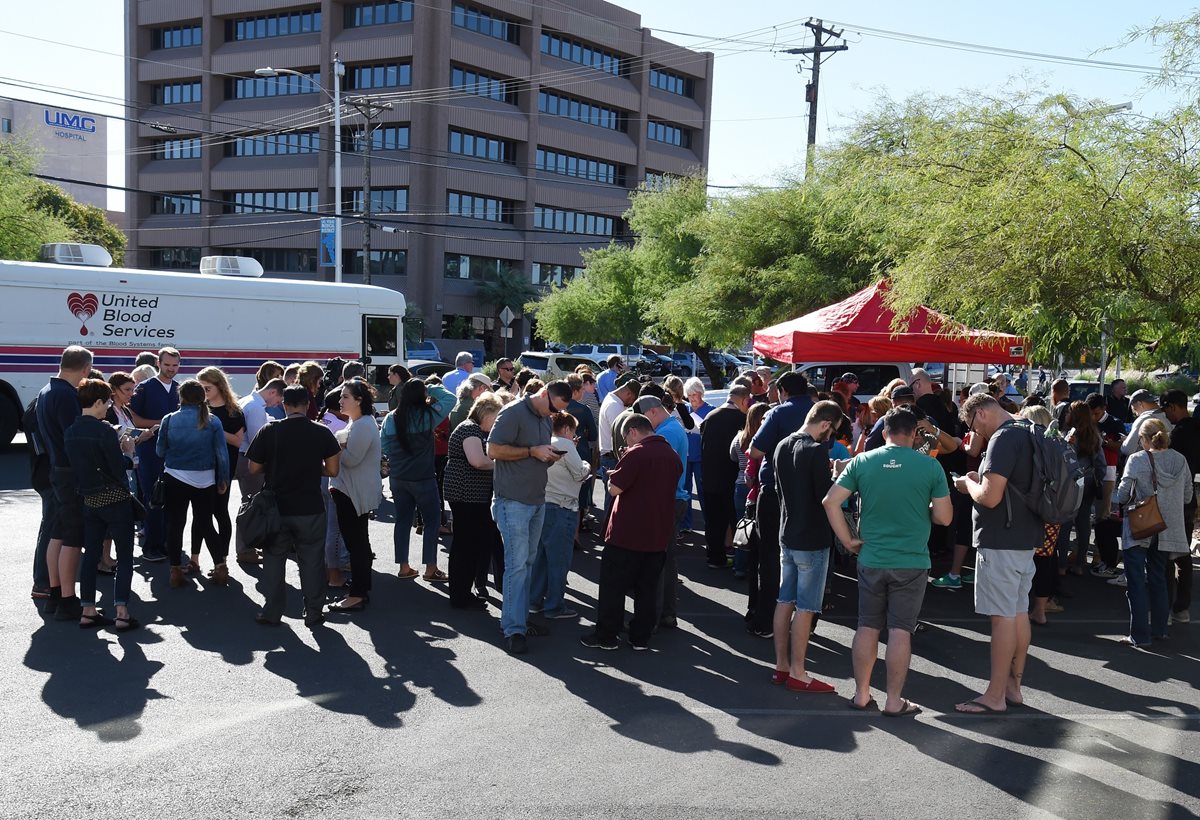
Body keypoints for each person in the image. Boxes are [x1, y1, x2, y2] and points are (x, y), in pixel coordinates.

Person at [825, 407, 952, 715]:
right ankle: (894, 701)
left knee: (867, 626)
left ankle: (861, 694)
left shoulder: (862, 461)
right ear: (913, 434)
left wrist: (848, 540)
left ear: (884, 433)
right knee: (900, 630)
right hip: (911, 560)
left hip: (871, 556)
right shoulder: (930, 467)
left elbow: (830, 501)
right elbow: (945, 518)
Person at [953, 394, 1041, 714]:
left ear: (980, 413)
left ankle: (994, 696)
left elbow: (989, 498)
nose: (975, 433)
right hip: (1026, 535)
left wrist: (968, 484)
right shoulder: (1030, 429)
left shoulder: (1002, 439)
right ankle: (1012, 687)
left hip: (1000, 537)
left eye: (972, 425)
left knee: (1002, 618)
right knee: (1018, 612)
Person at [581, 414, 683, 650]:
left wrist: (610, 479)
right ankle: (640, 637)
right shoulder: (672, 456)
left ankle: (606, 636)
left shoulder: (636, 453)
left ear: (633, 431)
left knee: (613, 587)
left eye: (626, 437)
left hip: (627, 533)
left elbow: (615, 488)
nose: (626, 442)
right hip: (657, 533)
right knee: (647, 589)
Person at [487, 380, 573, 654]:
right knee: (517, 565)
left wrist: (549, 456)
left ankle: (520, 621)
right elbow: (493, 450)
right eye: (551, 408)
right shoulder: (512, 412)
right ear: (544, 394)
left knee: (527, 562)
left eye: (556, 412)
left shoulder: (545, 419)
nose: (552, 415)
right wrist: (531, 451)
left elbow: (538, 452)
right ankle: (513, 629)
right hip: (513, 501)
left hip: (536, 500)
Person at [247, 385, 340, 627]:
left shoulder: (270, 430)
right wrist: (311, 468)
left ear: (284, 405)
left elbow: (253, 468)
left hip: (276, 508)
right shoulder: (321, 432)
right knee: (311, 560)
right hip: (310, 506)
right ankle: (313, 612)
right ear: (308, 405)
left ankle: (272, 611)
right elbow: (332, 470)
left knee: (274, 559)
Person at [771, 401, 846, 693]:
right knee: (806, 607)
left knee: (784, 600)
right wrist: (838, 475)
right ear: (826, 424)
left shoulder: (781, 445)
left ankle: (781, 666)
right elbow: (826, 498)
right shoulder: (816, 451)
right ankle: (798, 672)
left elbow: (780, 490)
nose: (832, 438)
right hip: (812, 538)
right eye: (834, 431)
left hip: (787, 533)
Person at [64, 379, 141, 631]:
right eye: (107, 401)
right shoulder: (105, 430)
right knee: (125, 556)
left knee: (91, 556)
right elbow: (118, 468)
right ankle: (122, 611)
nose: (108, 406)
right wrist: (128, 453)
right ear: (97, 402)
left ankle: (88, 609)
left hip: (89, 499)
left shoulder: (71, 430)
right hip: (115, 499)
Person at [747, 372, 813, 638]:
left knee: (770, 557)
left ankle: (766, 621)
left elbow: (755, 450)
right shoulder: (818, 411)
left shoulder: (778, 413)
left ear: (783, 390)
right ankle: (805, 621)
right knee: (807, 560)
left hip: (775, 494)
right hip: (809, 495)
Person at [1117, 418, 1193, 646]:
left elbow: (1122, 495)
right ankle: (1160, 630)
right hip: (1167, 528)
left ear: (1144, 438)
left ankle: (1139, 635)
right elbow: (1188, 496)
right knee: (1159, 579)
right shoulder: (1180, 460)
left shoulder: (1137, 459)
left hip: (1141, 526)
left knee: (1136, 582)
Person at [37, 345, 94, 621]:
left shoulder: (46, 391)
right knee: (73, 538)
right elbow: (75, 439)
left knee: (58, 534)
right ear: (86, 369)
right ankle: (69, 601)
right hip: (71, 472)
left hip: (56, 469)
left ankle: (56, 594)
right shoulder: (67, 395)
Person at [157, 379, 230, 588]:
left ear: (180, 397)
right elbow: (221, 455)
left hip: (175, 476)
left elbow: (160, 451)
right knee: (205, 523)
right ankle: (220, 566)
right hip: (205, 478)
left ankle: (175, 571)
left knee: (175, 525)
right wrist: (222, 479)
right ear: (203, 397)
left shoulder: (169, 419)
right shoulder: (213, 421)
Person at [381, 378, 456, 581]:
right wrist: (429, 387)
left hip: (398, 477)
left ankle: (404, 567)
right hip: (423, 477)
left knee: (402, 521)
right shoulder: (428, 415)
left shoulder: (391, 418)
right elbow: (451, 398)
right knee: (432, 523)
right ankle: (430, 569)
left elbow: (384, 444)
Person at [444, 392, 505, 608]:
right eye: (495, 417)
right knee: (465, 546)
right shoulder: (469, 428)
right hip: (465, 495)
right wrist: (505, 463)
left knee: (468, 545)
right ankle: (461, 596)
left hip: (471, 496)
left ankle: (462, 594)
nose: (496, 422)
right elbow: (478, 461)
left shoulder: (473, 428)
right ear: (485, 412)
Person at [327, 379, 383, 614]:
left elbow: (349, 460)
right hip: (350, 491)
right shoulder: (358, 422)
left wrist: (337, 446)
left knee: (356, 543)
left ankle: (358, 594)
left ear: (359, 400)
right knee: (358, 541)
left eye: (345, 396)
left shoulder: (362, 425)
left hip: (353, 493)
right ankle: (361, 587)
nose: (340, 400)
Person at [633, 395, 689, 629]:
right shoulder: (673, 427)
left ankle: (651, 619)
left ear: (653, 412)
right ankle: (665, 614)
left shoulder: (666, 434)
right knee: (665, 560)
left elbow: (658, 471)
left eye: (644, 420)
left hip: (666, 500)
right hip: (674, 499)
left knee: (655, 560)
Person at [530, 412, 590, 619]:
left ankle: (534, 600)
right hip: (562, 507)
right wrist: (588, 465)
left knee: (540, 558)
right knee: (559, 560)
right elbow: (581, 473)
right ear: (566, 429)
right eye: (573, 430)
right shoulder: (566, 445)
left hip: (542, 504)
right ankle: (555, 606)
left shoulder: (544, 441)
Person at [128, 346, 181, 563]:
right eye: (167, 365)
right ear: (158, 364)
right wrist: (163, 422)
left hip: (174, 453)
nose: (171, 369)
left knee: (172, 500)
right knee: (153, 498)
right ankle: (151, 546)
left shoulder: (180, 388)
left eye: (175, 365)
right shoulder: (145, 388)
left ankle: (168, 543)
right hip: (149, 451)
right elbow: (133, 419)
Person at [196, 367, 245, 578]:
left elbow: (237, 441)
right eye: (201, 388)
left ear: (219, 386)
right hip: (200, 467)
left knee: (220, 512)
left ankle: (222, 559)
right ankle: (201, 558)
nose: (204, 392)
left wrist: (214, 427)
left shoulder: (234, 411)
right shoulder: (201, 409)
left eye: (207, 388)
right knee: (202, 514)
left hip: (223, 468)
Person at [233, 377, 285, 563]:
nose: (277, 404)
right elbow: (258, 439)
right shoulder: (255, 407)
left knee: (249, 503)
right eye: (278, 400)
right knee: (251, 505)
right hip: (249, 459)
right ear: (272, 392)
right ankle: (245, 549)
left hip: (241, 456)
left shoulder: (249, 401)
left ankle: (248, 546)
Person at [701, 385, 751, 568]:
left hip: (709, 477)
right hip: (732, 479)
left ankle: (714, 558)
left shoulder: (710, 417)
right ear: (745, 400)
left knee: (713, 521)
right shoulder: (743, 420)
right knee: (736, 521)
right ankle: (739, 561)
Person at [1056, 401, 1106, 577]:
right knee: (1084, 524)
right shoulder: (1094, 435)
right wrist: (1097, 478)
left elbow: (1061, 460)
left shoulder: (1068, 435)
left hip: (1070, 483)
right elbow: (1101, 464)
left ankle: (1061, 565)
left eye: (1069, 411)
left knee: (1065, 525)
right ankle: (1079, 564)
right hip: (1089, 482)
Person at [1162, 390, 1198, 624]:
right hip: (1190, 499)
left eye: (1166, 410)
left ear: (1174, 407)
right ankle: (1182, 608)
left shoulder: (1178, 434)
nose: (1167, 415)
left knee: (1165, 555)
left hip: (1173, 501)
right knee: (1183, 555)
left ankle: (1164, 606)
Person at [596, 372, 640, 522]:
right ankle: (608, 534)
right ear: (628, 392)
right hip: (612, 457)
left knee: (611, 498)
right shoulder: (615, 406)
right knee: (612, 500)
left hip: (607, 454)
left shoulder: (610, 399)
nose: (632, 402)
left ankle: (608, 532)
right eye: (632, 398)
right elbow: (622, 436)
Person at [680, 377, 712, 530]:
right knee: (684, 491)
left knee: (703, 492)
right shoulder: (684, 409)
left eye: (695, 394)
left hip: (702, 458)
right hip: (685, 457)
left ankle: (709, 524)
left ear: (701, 393)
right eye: (690, 395)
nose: (692, 398)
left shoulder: (711, 410)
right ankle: (686, 524)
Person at [1122, 390, 1170, 457]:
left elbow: (1127, 449)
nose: (1137, 414)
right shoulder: (1169, 416)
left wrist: (1124, 441)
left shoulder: (1143, 419)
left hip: (1146, 463)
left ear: (1140, 404)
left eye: (1135, 410)